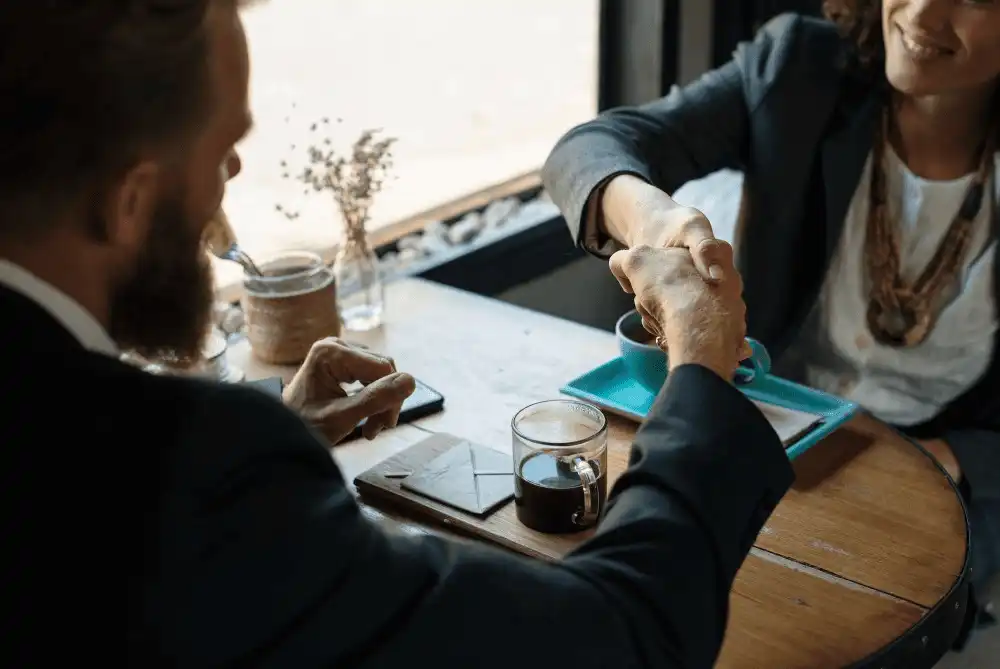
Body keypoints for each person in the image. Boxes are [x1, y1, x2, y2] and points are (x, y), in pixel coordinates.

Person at [0, 2, 795, 667]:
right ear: (129, 200)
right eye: (224, 153)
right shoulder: (188, 475)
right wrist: (698, 358)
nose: (226, 190)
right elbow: (614, 638)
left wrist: (278, 427)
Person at [543, 0, 999, 638]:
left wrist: (952, 457)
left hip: (936, 476)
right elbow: (587, 149)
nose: (923, 12)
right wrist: (654, 222)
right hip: (767, 439)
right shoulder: (801, 68)